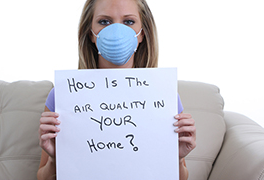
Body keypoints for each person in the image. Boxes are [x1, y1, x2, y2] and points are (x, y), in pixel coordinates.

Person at [37, 0, 196, 180]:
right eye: (104, 22)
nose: (116, 31)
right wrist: (54, 158)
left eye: (129, 22)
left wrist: (177, 157)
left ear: (142, 33)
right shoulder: (63, 96)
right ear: (90, 33)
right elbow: (43, 177)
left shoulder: (164, 95)